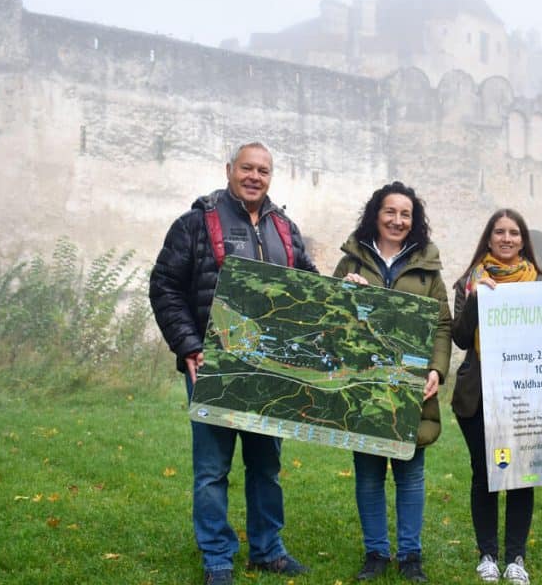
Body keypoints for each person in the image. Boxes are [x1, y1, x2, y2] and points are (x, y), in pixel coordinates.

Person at [148, 142, 317, 585]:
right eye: (247, 168)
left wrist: (348, 286)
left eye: (263, 170)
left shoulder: (285, 228)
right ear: (230, 170)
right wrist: (188, 346)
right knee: (212, 468)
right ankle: (218, 558)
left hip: (269, 370)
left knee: (266, 465)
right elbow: (164, 285)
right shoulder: (196, 223)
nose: (255, 176)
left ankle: (267, 550)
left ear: (270, 177)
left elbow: (309, 288)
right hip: (213, 365)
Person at [331, 181, 452, 583]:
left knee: (410, 471)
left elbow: (441, 323)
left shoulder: (427, 266)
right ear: (375, 214)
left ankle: (410, 554)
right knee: (367, 472)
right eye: (390, 212)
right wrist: (344, 294)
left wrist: (436, 368)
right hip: (363, 383)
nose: (398, 220)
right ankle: (376, 553)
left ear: (414, 220)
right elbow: (329, 315)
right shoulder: (352, 261)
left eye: (406, 214)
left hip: (409, 385)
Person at [450, 209, 542, 585]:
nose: (506, 239)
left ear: (523, 240)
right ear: (488, 239)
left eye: (514, 233)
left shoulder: (541, 283)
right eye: (499, 232)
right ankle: (488, 554)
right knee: (484, 473)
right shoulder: (469, 281)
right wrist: (476, 299)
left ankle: (516, 558)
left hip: (525, 392)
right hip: (478, 392)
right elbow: (459, 338)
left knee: (522, 473)